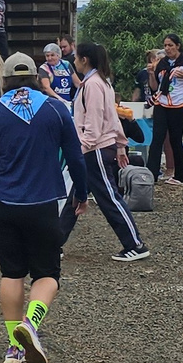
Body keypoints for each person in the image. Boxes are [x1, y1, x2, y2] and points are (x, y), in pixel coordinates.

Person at [0, 53, 92, 363]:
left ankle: (14, 347)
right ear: (37, 78)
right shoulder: (55, 109)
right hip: (42, 203)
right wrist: (82, 192)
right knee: (47, 274)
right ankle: (31, 324)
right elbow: (75, 156)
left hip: (1, 204)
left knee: (11, 273)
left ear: (5, 81)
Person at [72, 42, 149, 262]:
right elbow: (112, 117)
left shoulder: (93, 85)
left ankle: (135, 244)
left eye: (77, 57)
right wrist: (121, 143)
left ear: (85, 60)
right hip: (98, 146)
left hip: (94, 148)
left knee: (108, 197)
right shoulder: (101, 82)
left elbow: (94, 120)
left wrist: (83, 147)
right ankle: (55, 241)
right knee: (75, 194)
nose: (75, 61)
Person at [148, 32, 183, 184]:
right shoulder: (162, 63)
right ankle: (151, 174)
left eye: (170, 45)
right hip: (162, 103)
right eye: (165, 45)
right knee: (157, 139)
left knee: (175, 139)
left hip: (180, 104)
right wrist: (151, 74)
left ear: (178, 46)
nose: (167, 49)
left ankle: (181, 175)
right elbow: (155, 87)